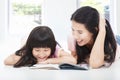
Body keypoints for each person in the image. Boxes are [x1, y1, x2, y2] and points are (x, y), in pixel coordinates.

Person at [4, 26, 76, 67]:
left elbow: (72, 60)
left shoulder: (55, 49)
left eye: (46, 50)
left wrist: (49, 61)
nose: (41, 55)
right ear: (31, 49)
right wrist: (33, 60)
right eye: (37, 50)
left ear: (52, 47)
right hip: (26, 41)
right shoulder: (28, 49)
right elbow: (7, 60)